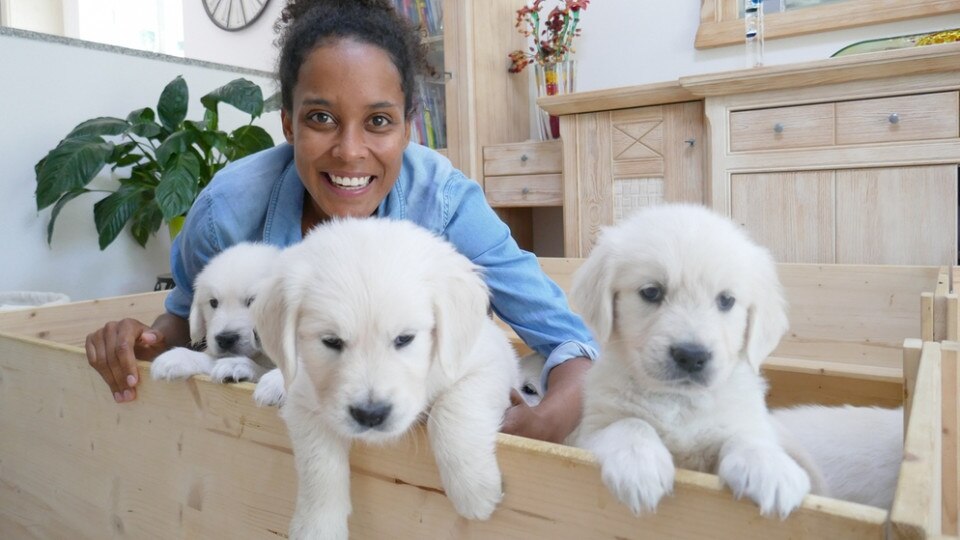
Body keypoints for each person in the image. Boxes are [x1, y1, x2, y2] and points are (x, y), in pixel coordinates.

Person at [84, 0, 597, 444]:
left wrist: (553, 417)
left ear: (406, 127)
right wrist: (144, 341)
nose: (350, 152)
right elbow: (185, 319)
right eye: (321, 118)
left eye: (378, 121)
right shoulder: (226, 214)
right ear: (288, 123)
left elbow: (566, 340)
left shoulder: (442, 201)